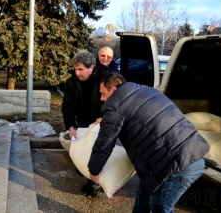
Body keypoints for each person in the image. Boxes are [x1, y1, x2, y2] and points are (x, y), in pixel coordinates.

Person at [88, 72, 209, 212]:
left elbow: (104, 144)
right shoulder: (146, 91)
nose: (102, 99)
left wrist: (94, 171)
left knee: (160, 207)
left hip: (177, 163)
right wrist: (108, 121)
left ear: (114, 90)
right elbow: (138, 115)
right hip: (185, 153)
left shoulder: (114, 106)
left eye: (103, 93)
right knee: (143, 198)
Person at [61, 49, 102, 197]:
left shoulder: (102, 79)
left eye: (81, 69)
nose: (77, 72)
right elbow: (67, 106)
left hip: (101, 123)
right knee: (84, 153)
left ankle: (94, 183)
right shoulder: (71, 83)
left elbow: (114, 101)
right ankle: (90, 178)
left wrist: (105, 117)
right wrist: (71, 126)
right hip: (83, 123)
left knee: (97, 153)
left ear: (91, 67)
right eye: (75, 69)